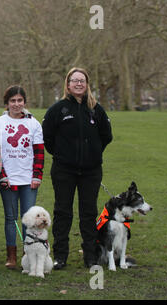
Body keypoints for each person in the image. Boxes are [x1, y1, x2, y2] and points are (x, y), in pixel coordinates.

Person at [42, 67, 113, 270]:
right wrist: (63, 154)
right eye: (75, 80)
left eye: (82, 80)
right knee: (63, 212)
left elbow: (107, 136)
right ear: (68, 84)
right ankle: (60, 256)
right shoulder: (58, 109)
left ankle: (90, 256)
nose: (79, 84)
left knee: (88, 213)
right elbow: (47, 137)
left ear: (87, 84)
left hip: (91, 172)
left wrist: (93, 153)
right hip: (64, 170)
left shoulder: (96, 109)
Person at [0, 85, 44, 269]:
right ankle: (11, 256)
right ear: (7, 103)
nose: (16, 104)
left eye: (20, 100)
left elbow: (39, 152)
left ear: (24, 102)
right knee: (11, 217)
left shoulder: (33, 124)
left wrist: (37, 176)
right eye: (12, 101)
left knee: (29, 218)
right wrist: (1, 176)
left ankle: (27, 254)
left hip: (29, 180)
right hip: (8, 180)